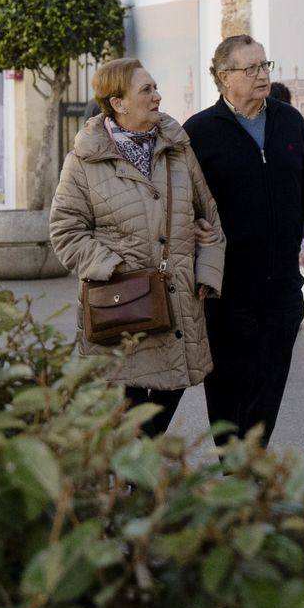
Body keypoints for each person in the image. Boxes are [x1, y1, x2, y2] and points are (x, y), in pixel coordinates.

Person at [48, 59, 224, 437]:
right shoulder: (83, 160)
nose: (158, 95)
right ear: (118, 103)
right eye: (146, 90)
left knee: (175, 381)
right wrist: (113, 268)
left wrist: (207, 274)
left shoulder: (177, 147)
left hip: (179, 297)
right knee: (130, 391)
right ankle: (136, 476)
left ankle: (134, 460)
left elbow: (209, 214)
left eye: (155, 87)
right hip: (122, 300)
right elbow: (65, 230)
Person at [185, 35, 304, 446]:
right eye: (249, 69)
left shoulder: (290, 120)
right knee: (229, 378)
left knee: (270, 376)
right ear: (223, 78)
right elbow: (182, 199)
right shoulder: (199, 132)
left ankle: (252, 454)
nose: (261, 75)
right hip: (226, 285)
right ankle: (235, 461)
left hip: (282, 282)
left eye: (264, 66)